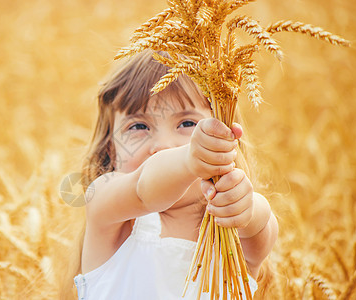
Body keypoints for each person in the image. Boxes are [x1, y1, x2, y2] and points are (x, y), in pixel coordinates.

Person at [71, 50, 278, 299]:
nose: (163, 145)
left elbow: (260, 227)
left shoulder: (230, 236)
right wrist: (189, 159)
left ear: (223, 138)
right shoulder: (107, 210)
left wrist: (246, 205)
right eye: (138, 126)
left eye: (187, 124)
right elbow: (142, 190)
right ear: (110, 149)